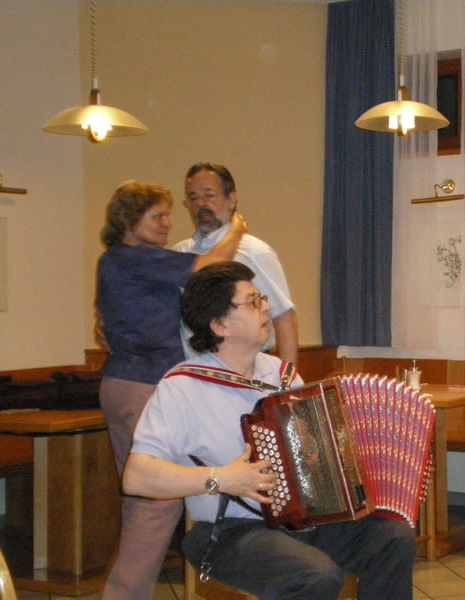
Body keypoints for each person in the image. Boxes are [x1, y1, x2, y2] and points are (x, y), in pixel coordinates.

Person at [122, 261, 416, 600]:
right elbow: (136, 477)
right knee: (316, 575)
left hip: (300, 521)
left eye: (261, 298)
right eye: (252, 302)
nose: (266, 307)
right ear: (219, 325)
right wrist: (221, 479)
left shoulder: (281, 375)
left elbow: (311, 452)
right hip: (228, 532)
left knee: (393, 538)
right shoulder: (181, 388)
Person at [96, 180, 245, 600]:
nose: (166, 223)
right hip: (140, 386)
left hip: (128, 382)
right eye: (157, 216)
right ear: (130, 221)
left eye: (167, 216)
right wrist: (236, 227)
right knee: (156, 501)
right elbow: (211, 265)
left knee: (146, 499)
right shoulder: (134, 257)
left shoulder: (119, 260)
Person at [172, 162, 299, 365]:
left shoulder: (255, 252)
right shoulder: (180, 253)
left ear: (231, 199)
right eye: (193, 197)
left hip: (248, 370)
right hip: (193, 371)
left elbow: (284, 318)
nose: (200, 204)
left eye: (209, 195)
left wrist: (287, 381)